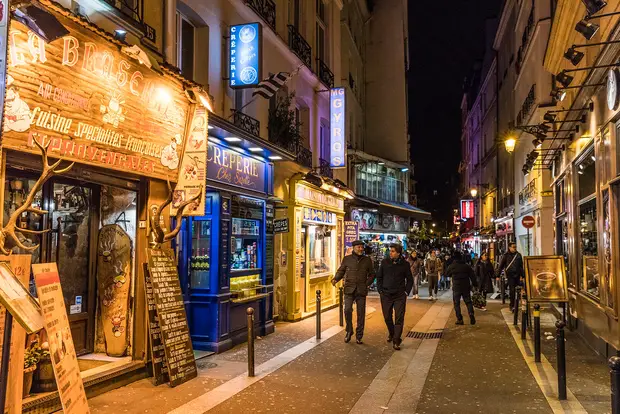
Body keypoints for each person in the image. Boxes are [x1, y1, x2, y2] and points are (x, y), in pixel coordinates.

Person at [332, 240, 375, 344]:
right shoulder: (347, 259)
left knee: (361, 314)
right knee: (347, 310)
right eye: (358, 247)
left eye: (362, 247)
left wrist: (366, 284)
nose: (360, 249)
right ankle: (349, 330)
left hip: (361, 290)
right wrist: (335, 279)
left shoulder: (367, 260)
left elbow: (372, 274)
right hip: (349, 289)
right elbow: (341, 271)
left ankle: (359, 335)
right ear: (354, 248)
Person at [377, 244, 413, 350]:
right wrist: (380, 291)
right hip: (386, 294)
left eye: (393, 251)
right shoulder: (384, 262)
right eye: (390, 251)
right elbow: (379, 277)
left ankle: (396, 340)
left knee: (399, 318)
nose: (390, 253)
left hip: (400, 295)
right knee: (387, 317)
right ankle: (392, 333)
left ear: (398, 253)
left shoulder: (405, 264)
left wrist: (406, 292)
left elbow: (409, 280)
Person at [446, 251, 478, 325]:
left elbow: (447, 273)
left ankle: (459, 319)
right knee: (468, 301)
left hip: (456, 286)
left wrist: (453, 274)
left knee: (456, 303)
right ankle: (471, 313)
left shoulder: (452, 266)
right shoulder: (466, 266)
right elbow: (472, 276)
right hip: (466, 286)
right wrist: (475, 284)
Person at [496, 242, 524, 312]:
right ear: (509, 247)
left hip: (517, 275)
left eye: (515, 247)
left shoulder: (518, 255)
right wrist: (498, 275)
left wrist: (523, 275)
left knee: (518, 290)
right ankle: (512, 305)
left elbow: (521, 266)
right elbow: (501, 266)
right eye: (513, 247)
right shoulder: (506, 255)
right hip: (510, 275)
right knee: (512, 290)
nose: (515, 248)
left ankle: (517, 304)